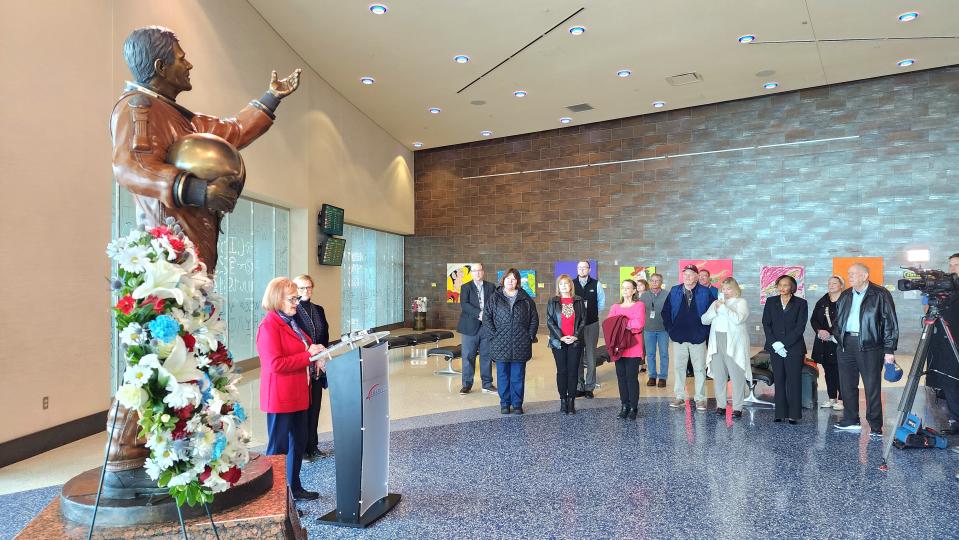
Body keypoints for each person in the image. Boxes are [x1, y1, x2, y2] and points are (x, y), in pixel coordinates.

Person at [107, 25, 300, 486]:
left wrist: (269, 98)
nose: (188, 63)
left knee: (186, 356)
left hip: (194, 257)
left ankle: (178, 448)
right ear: (159, 67)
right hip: (166, 258)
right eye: (181, 56)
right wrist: (193, 188)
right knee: (159, 356)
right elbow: (130, 165)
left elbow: (232, 131)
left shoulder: (183, 118)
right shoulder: (140, 109)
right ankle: (124, 453)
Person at [257, 277, 327, 501]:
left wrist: (316, 353)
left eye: (297, 297)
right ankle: (276, 497)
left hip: (298, 394)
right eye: (292, 298)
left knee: (298, 443)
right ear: (277, 299)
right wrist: (308, 355)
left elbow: (306, 347)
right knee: (278, 450)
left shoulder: (292, 323)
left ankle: (294, 488)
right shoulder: (268, 326)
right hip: (280, 398)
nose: (297, 302)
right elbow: (275, 364)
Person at [832, 263, 899, 435]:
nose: (850, 276)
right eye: (848, 273)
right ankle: (851, 419)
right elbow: (838, 320)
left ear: (865, 275)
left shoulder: (880, 294)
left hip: (870, 346)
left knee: (872, 386)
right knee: (846, 385)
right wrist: (838, 336)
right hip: (846, 344)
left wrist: (889, 350)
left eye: (854, 273)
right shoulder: (845, 295)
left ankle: (876, 426)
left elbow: (890, 323)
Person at [486, 268, 540, 414]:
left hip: (520, 343)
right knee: (502, 375)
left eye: (514, 278)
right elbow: (487, 318)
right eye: (508, 278)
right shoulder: (494, 297)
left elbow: (534, 318)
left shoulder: (525, 298)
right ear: (503, 280)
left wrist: (529, 335)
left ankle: (517, 404)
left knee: (518, 375)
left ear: (518, 281)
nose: (511, 281)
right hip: (500, 343)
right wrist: (494, 335)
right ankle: (504, 403)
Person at [663, 265, 713, 410]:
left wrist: (705, 332)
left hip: (698, 338)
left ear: (697, 277)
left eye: (691, 274)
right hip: (678, 337)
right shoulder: (675, 291)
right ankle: (679, 396)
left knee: (699, 369)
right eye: (685, 274)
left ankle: (700, 398)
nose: (687, 277)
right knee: (679, 368)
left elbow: (712, 313)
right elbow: (665, 312)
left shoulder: (705, 292)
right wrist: (670, 330)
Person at [293, 275, 331, 462]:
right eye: (301, 288)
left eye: (308, 287)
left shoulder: (319, 310)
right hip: (302, 366)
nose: (306, 291)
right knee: (303, 409)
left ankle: (313, 446)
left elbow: (325, 335)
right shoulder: (293, 312)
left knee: (315, 407)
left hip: (318, 365)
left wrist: (322, 355)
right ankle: (302, 450)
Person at [701, 277, 751, 418]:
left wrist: (724, 308)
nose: (726, 291)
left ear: (735, 289)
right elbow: (704, 320)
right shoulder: (716, 303)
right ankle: (721, 405)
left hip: (733, 343)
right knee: (719, 377)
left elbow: (738, 319)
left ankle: (737, 408)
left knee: (737, 377)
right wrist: (715, 310)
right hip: (717, 342)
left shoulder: (741, 302)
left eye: (729, 288)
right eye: (723, 289)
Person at [762, 275, 809, 424]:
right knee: (779, 379)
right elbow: (766, 324)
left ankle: (794, 414)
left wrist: (784, 344)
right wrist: (775, 344)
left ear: (792, 287)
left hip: (794, 348)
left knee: (793, 381)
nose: (782, 288)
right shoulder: (771, 302)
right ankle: (780, 412)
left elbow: (800, 327)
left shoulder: (801, 303)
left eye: (786, 285)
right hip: (775, 347)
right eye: (780, 285)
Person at [606, 280, 646, 419]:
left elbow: (639, 324)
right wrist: (626, 324)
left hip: (633, 346)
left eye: (628, 288)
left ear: (634, 290)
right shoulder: (615, 307)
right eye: (623, 288)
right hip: (619, 347)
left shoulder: (639, 305)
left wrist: (621, 324)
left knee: (631, 377)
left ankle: (634, 407)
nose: (625, 290)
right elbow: (610, 325)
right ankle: (624, 405)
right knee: (621, 377)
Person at [546, 274, 586, 414]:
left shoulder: (579, 300)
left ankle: (571, 401)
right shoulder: (553, 301)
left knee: (573, 372)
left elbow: (583, 320)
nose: (564, 286)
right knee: (562, 371)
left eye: (566, 283)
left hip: (575, 342)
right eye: (561, 284)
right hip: (559, 342)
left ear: (571, 286)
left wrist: (575, 336)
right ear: (558, 286)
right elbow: (550, 321)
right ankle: (563, 400)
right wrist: (562, 337)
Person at [457, 263, 497, 395]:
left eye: (479, 270)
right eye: (474, 271)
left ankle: (487, 384)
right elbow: (465, 304)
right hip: (469, 327)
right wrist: (479, 314)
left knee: (486, 356)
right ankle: (467, 385)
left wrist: (487, 315)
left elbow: (494, 303)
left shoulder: (491, 287)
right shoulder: (465, 287)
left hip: (486, 327)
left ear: (483, 272)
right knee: (468, 356)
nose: (477, 273)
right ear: (471, 273)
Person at [810, 276, 845, 411]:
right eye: (829, 283)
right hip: (823, 342)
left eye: (835, 283)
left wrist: (832, 334)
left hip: (839, 342)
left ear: (841, 285)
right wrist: (820, 331)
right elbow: (814, 319)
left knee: (841, 372)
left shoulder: (846, 300)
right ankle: (832, 398)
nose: (831, 285)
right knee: (828, 371)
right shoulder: (823, 301)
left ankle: (842, 400)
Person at [574, 261, 605, 399]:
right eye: (579, 268)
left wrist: (591, 313)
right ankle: (579, 386)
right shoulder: (572, 284)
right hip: (576, 326)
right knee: (578, 356)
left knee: (591, 355)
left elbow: (601, 303)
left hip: (591, 324)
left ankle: (589, 386)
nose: (582, 270)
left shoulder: (596, 284)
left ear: (589, 269)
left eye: (584, 267)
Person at [641, 273, 670, 388]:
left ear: (661, 282)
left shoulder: (667, 295)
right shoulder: (644, 296)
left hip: (663, 330)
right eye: (652, 280)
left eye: (657, 280)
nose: (654, 283)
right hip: (648, 329)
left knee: (664, 354)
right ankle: (652, 376)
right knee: (650, 354)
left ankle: (662, 377)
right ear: (649, 282)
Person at [635, 279, 649, 373]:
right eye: (637, 285)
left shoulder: (648, 296)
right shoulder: (634, 296)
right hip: (636, 323)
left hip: (646, 323)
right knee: (637, 343)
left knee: (643, 345)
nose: (639, 286)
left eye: (641, 285)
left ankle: (642, 363)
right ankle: (640, 363)